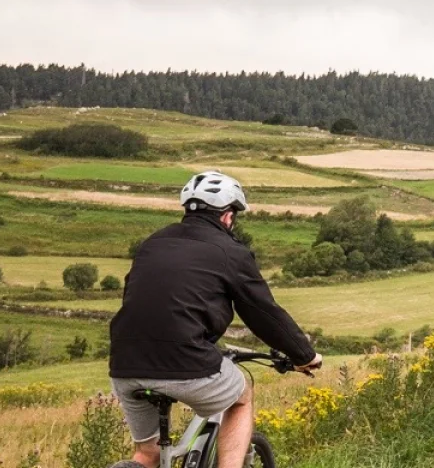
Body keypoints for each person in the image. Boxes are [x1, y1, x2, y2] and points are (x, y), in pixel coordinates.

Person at [108, 171, 322, 468]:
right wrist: (304, 355)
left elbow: (145, 300)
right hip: (185, 358)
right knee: (242, 396)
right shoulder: (231, 252)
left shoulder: (152, 243)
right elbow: (262, 312)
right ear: (227, 216)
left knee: (148, 454)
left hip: (125, 362)